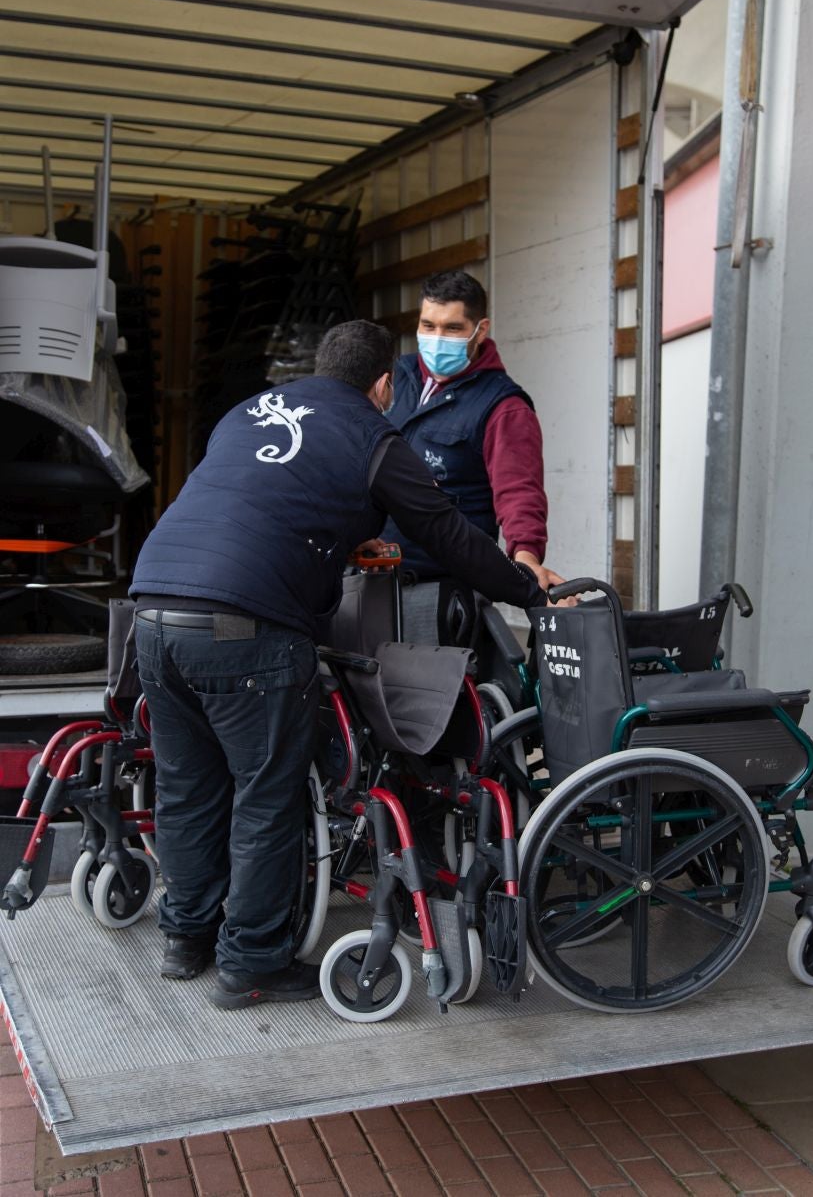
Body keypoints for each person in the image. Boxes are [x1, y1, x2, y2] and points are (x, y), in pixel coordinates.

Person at [129, 319, 551, 1011]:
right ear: (383, 383)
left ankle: (186, 940)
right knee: (267, 795)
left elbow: (256, 503)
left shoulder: (246, 412)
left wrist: (333, 541)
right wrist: (527, 591)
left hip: (153, 610)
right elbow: (443, 530)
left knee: (187, 786)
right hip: (246, 628)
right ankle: (252, 963)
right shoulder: (371, 435)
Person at [381, 269, 562, 592]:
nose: (436, 338)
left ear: (481, 330)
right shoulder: (395, 376)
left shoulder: (503, 406)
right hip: (378, 573)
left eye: (452, 328)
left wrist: (527, 555)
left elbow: (519, 491)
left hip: (444, 587)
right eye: (428, 325)